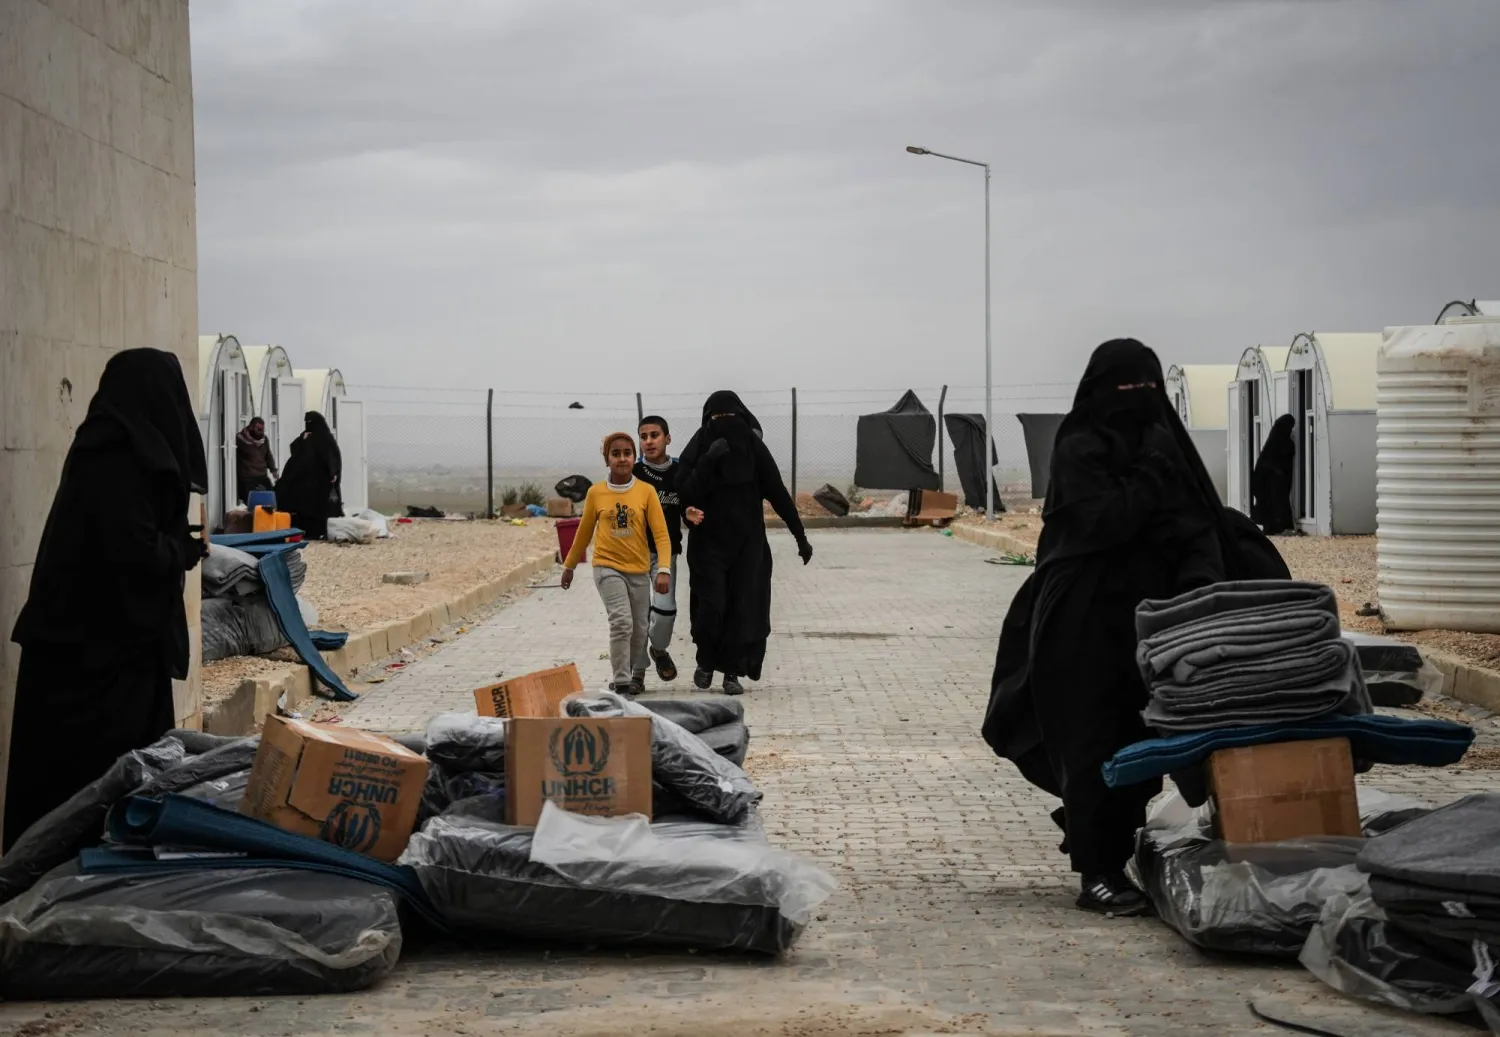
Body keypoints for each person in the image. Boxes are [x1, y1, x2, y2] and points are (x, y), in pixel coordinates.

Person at [981, 339, 1289, 917]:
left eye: (1147, 387)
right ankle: (1095, 873)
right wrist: (1147, 477)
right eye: (1125, 387)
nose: (1137, 399)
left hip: (1155, 620)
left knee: (1139, 740)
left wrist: (1199, 591)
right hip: (1081, 619)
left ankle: (1104, 840)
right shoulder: (1080, 445)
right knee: (1088, 737)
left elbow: (1196, 523)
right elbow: (1099, 523)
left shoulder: (1164, 441)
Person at [5, 348, 209, 851]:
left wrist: (174, 544)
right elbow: (131, 553)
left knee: (103, 789)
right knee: (88, 793)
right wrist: (181, 550)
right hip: (94, 661)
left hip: (103, 652)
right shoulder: (115, 457)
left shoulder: (113, 448)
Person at [677, 391, 812, 696]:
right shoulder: (700, 446)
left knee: (742, 609)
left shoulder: (753, 448)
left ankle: (732, 673)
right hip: (708, 546)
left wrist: (800, 536)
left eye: (730, 417)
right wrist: (708, 460)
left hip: (748, 546)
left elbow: (778, 493)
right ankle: (705, 662)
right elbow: (684, 492)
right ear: (707, 420)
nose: (724, 423)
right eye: (717, 418)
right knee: (710, 607)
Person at [560, 432, 673, 696]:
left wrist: (664, 569)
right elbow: (584, 533)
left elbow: (661, 535)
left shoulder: (646, 491)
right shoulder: (596, 492)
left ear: (635, 457)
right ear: (607, 459)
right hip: (607, 567)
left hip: (639, 570)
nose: (622, 459)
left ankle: (632, 672)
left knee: (639, 629)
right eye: (616, 454)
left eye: (627, 453)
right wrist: (569, 566)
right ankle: (621, 680)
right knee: (622, 622)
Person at [635, 415, 683, 683]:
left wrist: (690, 512)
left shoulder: (680, 470)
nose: (649, 441)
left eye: (655, 435)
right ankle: (637, 672)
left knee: (665, 610)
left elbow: (690, 500)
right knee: (637, 614)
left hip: (666, 554)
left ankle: (659, 648)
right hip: (634, 555)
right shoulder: (634, 473)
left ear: (667, 438)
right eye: (644, 437)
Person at [275, 411, 342, 540]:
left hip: (320, 481)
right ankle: (302, 531)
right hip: (304, 480)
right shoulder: (305, 436)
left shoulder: (325, 438)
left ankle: (318, 531)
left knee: (317, 507)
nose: (308, 425)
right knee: (301, 505)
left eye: (310, 422)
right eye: (306, 422)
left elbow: (331, 456)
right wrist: (302, 440)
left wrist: (333, 472)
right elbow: (294, 449)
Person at [1251, 414, 1297, 536]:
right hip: (1269, 480)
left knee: (1277, 501)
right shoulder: (1278, 443)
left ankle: (1276, 526)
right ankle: (1274, 526)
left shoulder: (1282, 442)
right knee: (1273, 502)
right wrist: (1275, 471)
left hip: (1277, 480)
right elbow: (1267, 463)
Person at [235, 416, 278, 505]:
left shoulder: (264, 439)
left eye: (262, 430)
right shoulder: (240, 439)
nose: (261, 432)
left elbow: (268, 455)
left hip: (262, 475)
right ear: (251, 427)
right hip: (248, 477)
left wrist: (273, 470)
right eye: (258, 430)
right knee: (251, 501)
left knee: (271, 497)